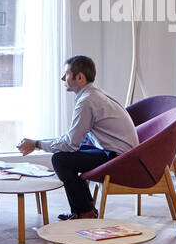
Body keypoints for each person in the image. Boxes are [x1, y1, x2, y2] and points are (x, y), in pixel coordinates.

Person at [17, 55, 138, 220]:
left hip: (119, 158)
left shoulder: (87, 101)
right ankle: (86, 209)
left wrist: (37, 144)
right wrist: (39, 143)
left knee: (61, 160)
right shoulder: (93, 95)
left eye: (66, 74)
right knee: (68, 156)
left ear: (79, 77)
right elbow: (71, 140)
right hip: (116, 151)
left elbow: (69, 144)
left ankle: (84, 212)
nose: (62, 78)